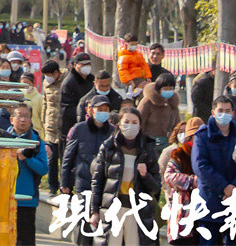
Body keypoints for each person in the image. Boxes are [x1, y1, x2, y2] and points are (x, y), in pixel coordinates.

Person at [90, 105, 161, 246]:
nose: (130, 126)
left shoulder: (147, 151)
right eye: (126, 122)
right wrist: (94, 211)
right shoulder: (108, 148)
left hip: (137, 211)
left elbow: (156, 187)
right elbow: (97, 181)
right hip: (112, 208)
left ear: (140, 126)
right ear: (119, 124)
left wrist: (145, 175)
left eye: (135, 123)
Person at [191, 95, 236, 243]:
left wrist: (234, 188)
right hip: (209, 200)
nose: (223, 114)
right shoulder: (202, 135)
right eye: (220, 110)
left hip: (234, 202)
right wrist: (224, 187)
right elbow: (200, 166)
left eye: (227, 110)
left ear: (233, 113)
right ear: (213, 112)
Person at [60, 95, 114, 244]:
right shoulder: (79, 129)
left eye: (106, 109)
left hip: (105, 187)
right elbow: (68, 157)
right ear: (90, 110)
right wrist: (64, 182)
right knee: (84, 224)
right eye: (99, 109)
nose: (103, 112)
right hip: (84, 184)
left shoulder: (113, 132)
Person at [0, 102, 48, 245]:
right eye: (19, 116)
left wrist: (26, 158)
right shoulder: (2, 138)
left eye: (27, 116)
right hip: (4, 199)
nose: (23, 120)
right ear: (11, 119)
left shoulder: (37, 142)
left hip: (27, 200)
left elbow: (44, 168)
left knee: (25, 240)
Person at [163, 117, 204, 244]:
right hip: (182, 216)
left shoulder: (209, 154)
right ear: (189, 137)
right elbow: (169, 177)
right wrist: (194, 181)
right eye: (196, 136)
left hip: (204, 216)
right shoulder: (179, 154)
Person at [58, 53, 94, 153]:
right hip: (70, 127)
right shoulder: (69, 83)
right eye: (83, 65)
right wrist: (86, 113)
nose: (86, 67)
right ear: (75, 65)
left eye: (88, 64)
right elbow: (67, 109)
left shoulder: (92, 80)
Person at [137, 71, 180, 151]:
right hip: (149, 144)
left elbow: (177, 125)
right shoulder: (148, 101)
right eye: (165, 89)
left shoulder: (173, 104)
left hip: (167, 144)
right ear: (158, 89)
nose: (168, 91)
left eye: (170, 89)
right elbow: (139, 121)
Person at [41, 59, 64, 199]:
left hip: (62, 126)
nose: (47, 78)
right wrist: (44, 122)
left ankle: (65, 186)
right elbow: (45, 103)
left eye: (49, 74)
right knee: (52, 159)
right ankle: (52, 186)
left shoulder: (65, 81)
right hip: (50, 126)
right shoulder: (45, 83)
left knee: (64, 159)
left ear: (56, 73)